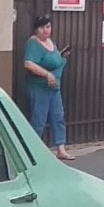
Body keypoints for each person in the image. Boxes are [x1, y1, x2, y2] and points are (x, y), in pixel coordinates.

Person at [23, 15, 74, 161]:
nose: (46, 31)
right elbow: (28, 63)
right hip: (39, 88)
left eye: (48, 27)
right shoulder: (33, 44)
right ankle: (32, 151)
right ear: (36, 29)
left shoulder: (50, 42)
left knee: (58, 117)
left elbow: (53, 59)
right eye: (42, 27)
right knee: (38, 119)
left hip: (54, 87)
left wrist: (62, 56)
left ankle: (61, 149)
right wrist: (47, 74)